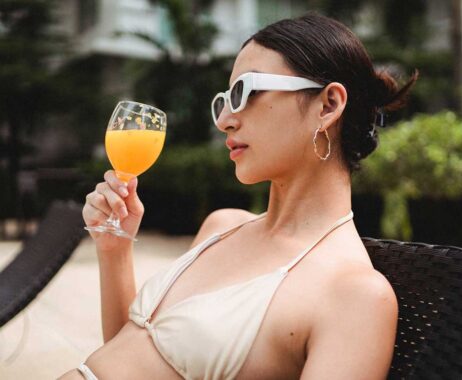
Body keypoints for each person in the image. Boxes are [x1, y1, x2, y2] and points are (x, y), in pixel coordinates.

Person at [59, 12, 417, 380]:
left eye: (245, 92)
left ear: (328, 106)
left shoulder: (354, 296)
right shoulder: (223, 225)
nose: (225, 119)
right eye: (225, 100)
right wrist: (114, 250)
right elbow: (128, 355)